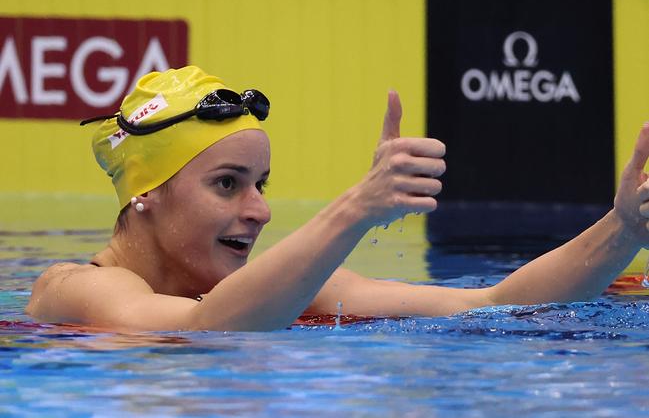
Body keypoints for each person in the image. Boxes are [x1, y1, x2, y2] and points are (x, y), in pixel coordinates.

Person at [26, 66, 649, 332]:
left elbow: (491, 303)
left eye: (260, 185)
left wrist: (621, 228)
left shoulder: (284, 291)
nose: (259, 209)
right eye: (227, 183)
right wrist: (356, 209)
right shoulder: (75, 290)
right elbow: (201, 329)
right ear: (145, 194)